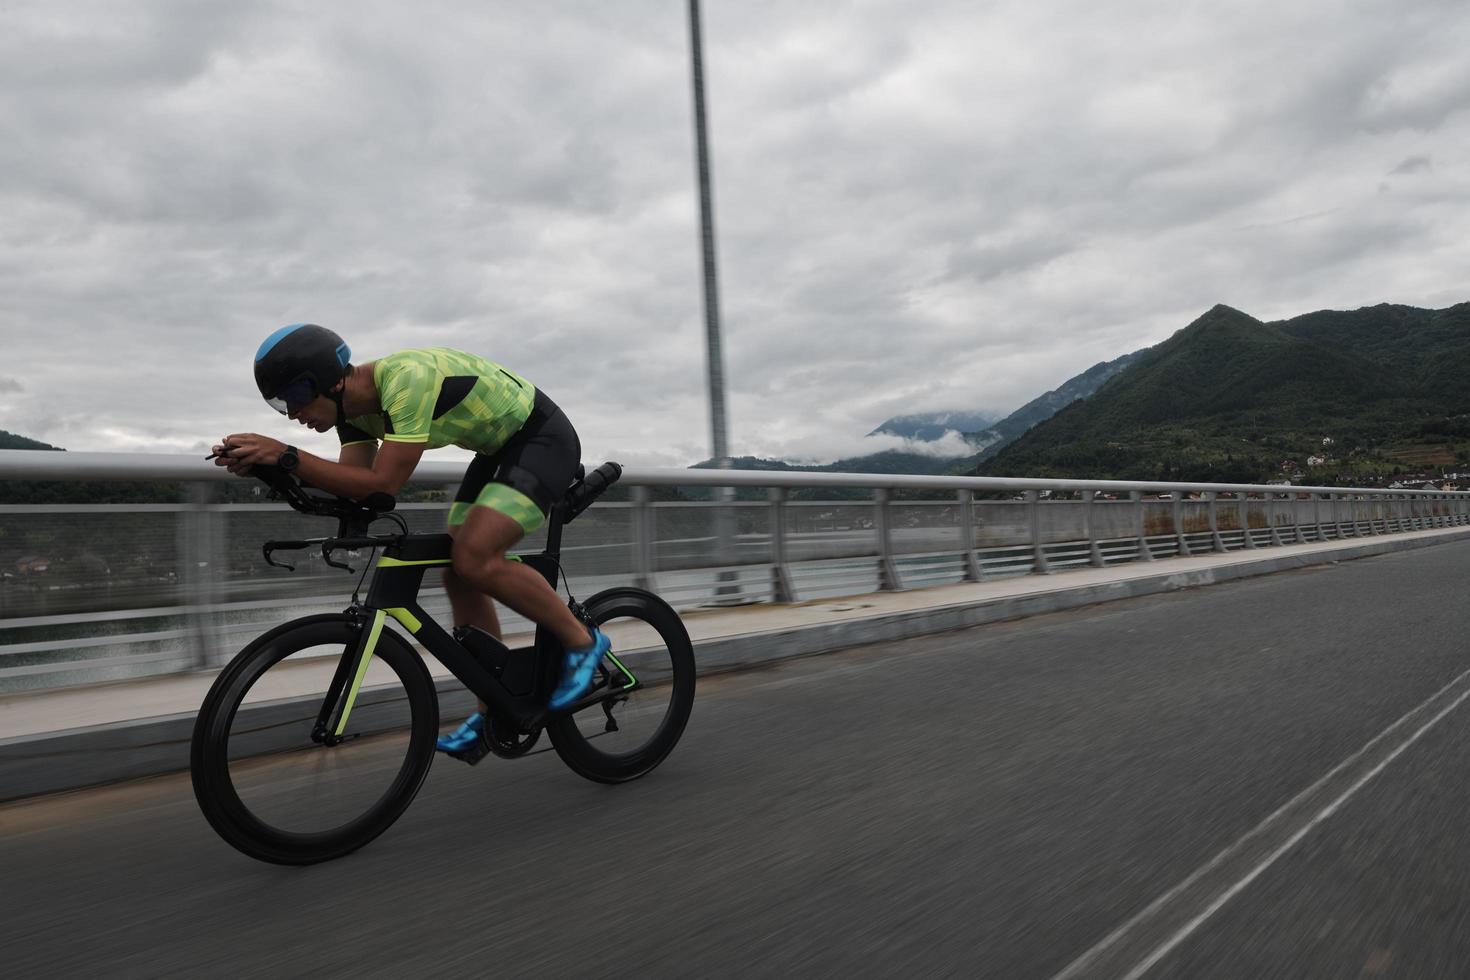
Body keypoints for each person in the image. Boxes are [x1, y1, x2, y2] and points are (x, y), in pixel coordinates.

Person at [212, 323, 610, 755]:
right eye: (279, 405)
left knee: (476, 555)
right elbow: (352, 486)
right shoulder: (353, 414)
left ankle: (583, 642)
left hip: (540, 438)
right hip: (497, 451)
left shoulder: (405, 381)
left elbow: (383, 485)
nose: (291, 414)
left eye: (293, 397)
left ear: (330, 379)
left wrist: (287, 454)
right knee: (459, 570)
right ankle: (497, 706)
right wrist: (273, 469)